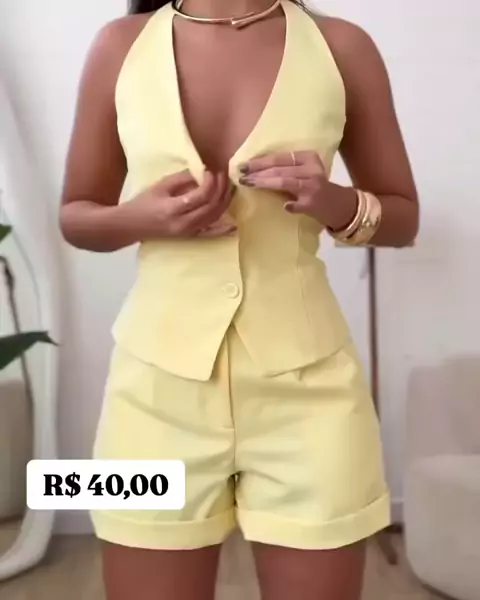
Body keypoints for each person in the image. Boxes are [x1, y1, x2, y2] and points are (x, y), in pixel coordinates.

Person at [59, 0, 419, 598]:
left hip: (313, 399)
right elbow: (75, 216)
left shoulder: (342, 47)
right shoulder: (119, 46)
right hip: (152, 400)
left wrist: (334, 202)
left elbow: (404, 219)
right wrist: (143, 218)